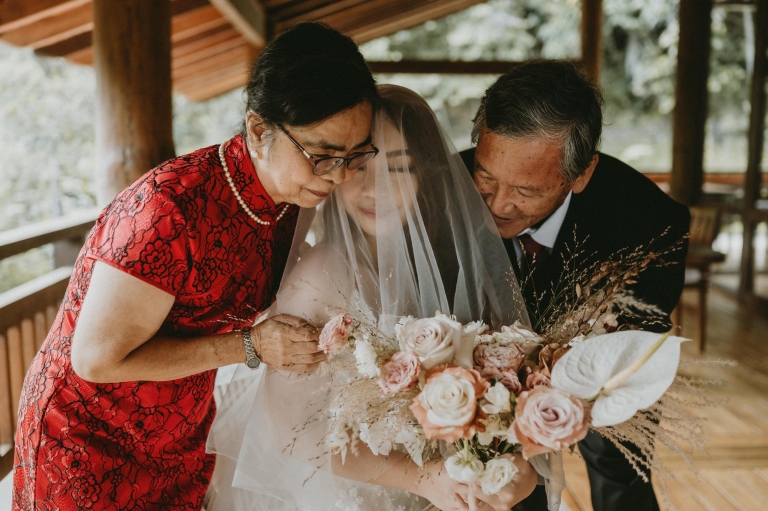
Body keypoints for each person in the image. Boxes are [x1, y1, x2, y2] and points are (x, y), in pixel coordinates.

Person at [13, 22, 380, 510]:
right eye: (322, 155)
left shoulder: (292, 199)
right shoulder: (169, 209)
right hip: (88, 439)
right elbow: (96, 359)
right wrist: (251, 345)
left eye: (354, 156)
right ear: (257, 129)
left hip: (179, 437)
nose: (337, 175)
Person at [205, 85, 546, 511]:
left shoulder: (451, 268)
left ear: (426, 176)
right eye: (360, 168)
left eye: (399, 169)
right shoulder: (319, 281)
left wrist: (509, 469)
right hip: (342, 494)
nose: (375, 190)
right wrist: (421, 478)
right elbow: (290, 433)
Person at [460, 60, 690, 511]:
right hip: (482, 376)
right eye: (486, 178)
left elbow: (634, 340)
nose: (499, 205)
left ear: (581, 173)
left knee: (619, 466)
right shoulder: (441, 189)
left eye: (526, 191)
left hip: (598, 371)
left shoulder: (649, 221)